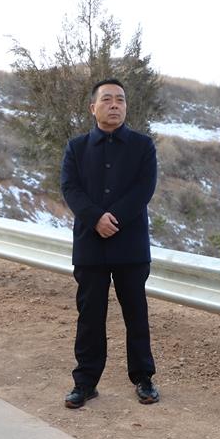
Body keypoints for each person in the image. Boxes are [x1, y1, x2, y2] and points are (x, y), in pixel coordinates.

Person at [60, 79, 159, 409]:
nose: (114, 104)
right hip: (90, 245)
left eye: (120, 99)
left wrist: (113, 218)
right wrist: (95, 218)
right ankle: (85, 383)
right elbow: (70, 188)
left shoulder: (143, 146)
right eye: (107, 99)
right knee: (90, 316)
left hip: (131, 245)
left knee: (136, 314)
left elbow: (144, 189)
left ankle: (144, 378)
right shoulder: (76, 147)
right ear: (93, 108)